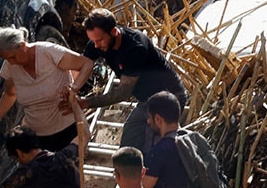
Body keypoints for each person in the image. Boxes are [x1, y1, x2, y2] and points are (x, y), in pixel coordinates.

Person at [77, 8, 188, 153]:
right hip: (147, 100)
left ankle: (149, 172)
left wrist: (87, 103)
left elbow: (123, 93)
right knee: (130, 137)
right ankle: (124, 172)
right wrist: (73, 88)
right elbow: (81, 65)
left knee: (151, 144)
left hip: (169, 97)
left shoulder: (136, 47)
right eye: (92, 41)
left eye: (99, 40)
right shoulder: (97, 42)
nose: (96, 46)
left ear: (114, 32)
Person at [0, 27, 94, 151]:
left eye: (12, 57)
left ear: (22, 45)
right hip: (37, 138)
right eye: (7, 59)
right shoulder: (10, 67)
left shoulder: (48, 52)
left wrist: (73, 89)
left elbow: (86, 64)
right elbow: (9, 94)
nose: (11, 62)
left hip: (68, 131)